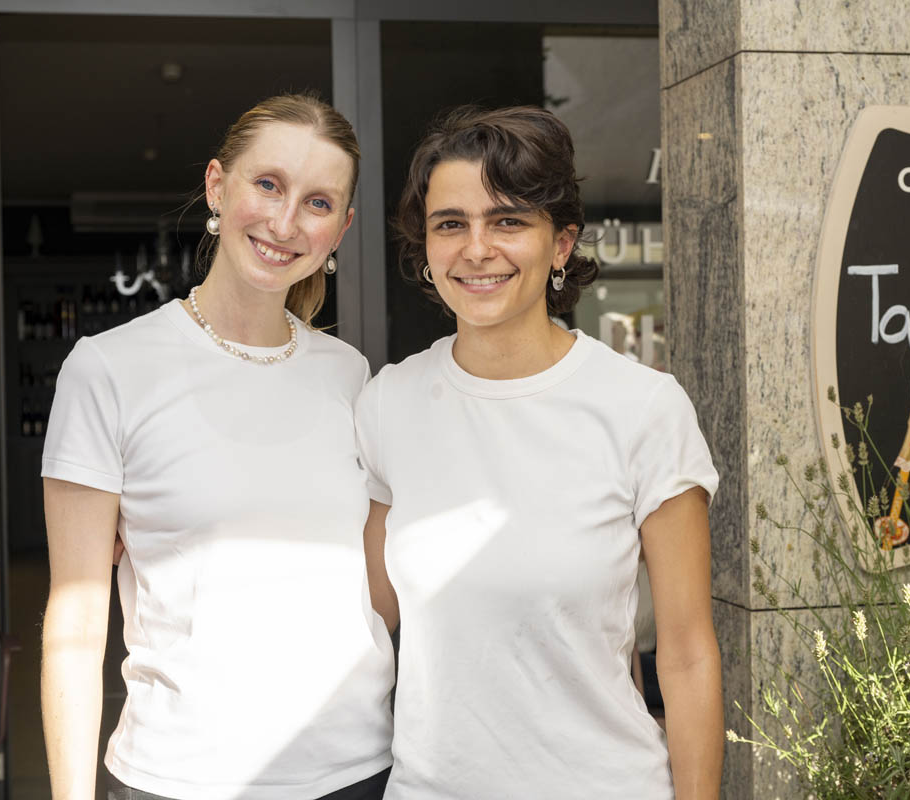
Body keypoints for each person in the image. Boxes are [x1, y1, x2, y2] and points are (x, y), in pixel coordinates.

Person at [356, 106, 722, 799]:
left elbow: (686, 655)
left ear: (561, 245)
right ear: (426, 246)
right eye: (451, 224)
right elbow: (365, 620)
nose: (477, 249)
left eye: (508, 221)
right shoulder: (389, 403)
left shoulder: (642, 408)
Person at [41, 93, 395, 800]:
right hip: (181, 775)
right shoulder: (109, 369)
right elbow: (77, 622)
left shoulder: (350, 375)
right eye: (268, 184)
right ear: (216, 186)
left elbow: (372, 587)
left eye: (318, 202)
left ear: (342, 228)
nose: (285, 223)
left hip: (358, 770)